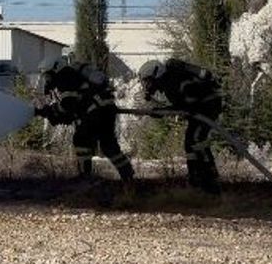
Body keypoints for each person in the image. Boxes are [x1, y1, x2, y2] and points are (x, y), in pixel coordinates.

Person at [34, 54, 135, 182]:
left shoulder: (65, 75)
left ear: (55, 69)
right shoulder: (70, 75)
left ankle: (85, 176)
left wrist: (50, 111)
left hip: (95, 112)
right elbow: (74, 107)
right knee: (108, 144)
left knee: (81, 139)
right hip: (106, 109)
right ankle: (127, 174)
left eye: (48, 75)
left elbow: (68, 104)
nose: (47, 80)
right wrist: (57, 114)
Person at [138, 58, 224, 193]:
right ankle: (196, 178)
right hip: (201, 108)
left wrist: (162, 111)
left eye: (148, 81)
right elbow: (183, 106)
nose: (147, 85)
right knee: (190, 142)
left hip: (207, 106)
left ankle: (210, 181)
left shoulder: (175, 81)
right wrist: (162, 111)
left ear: (156, 75)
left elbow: (187, 107)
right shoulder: (170, 83)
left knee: (196, 140)